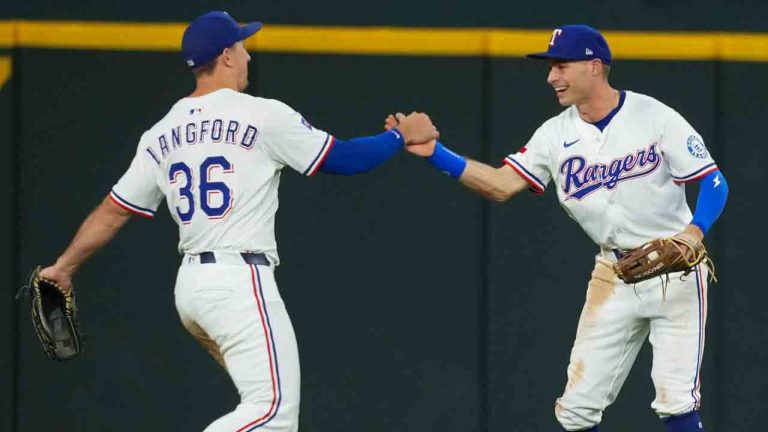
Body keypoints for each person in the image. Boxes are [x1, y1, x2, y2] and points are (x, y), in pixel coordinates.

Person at [38, 10, 438, 432]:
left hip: (191, 289)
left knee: (262, 410)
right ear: (226, 56)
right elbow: (345, 159)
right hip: (238, 280)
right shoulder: (261, 114)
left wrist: (64, 267)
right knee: (273, 412)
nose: (248, 55)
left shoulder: (161, 133)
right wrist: (400, 136)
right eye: (243, 46)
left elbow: (114, 211)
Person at [389, 24, 729, 432]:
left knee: (676, 401)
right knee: (576, 410)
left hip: (675, 269)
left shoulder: (653, 116)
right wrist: (435, 153)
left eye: (561, 65)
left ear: (595, 66)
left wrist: (694, 232)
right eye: (551, 67)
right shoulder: (554, 135)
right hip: (614, 272)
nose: (552, 77)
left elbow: (711, 179)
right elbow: (500, 185)